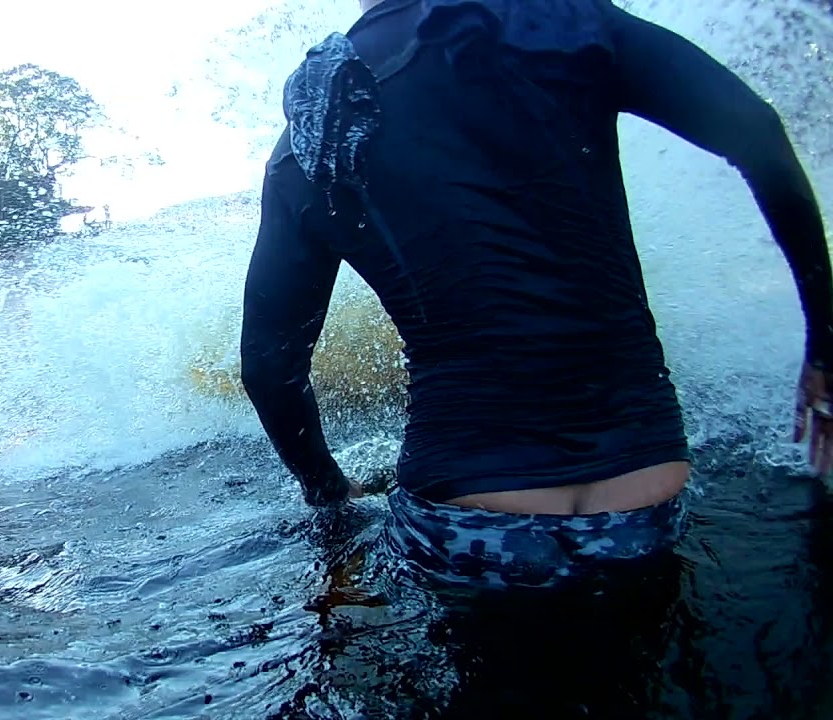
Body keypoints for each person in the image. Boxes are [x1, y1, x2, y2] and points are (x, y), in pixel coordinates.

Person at [239, 0, 833, 588]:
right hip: (645, 505)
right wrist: (823, 345)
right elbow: (755, 131)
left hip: (465, 525)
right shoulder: (563, 26)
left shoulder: (315, 130)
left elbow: (270, 367)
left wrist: (329, 492)